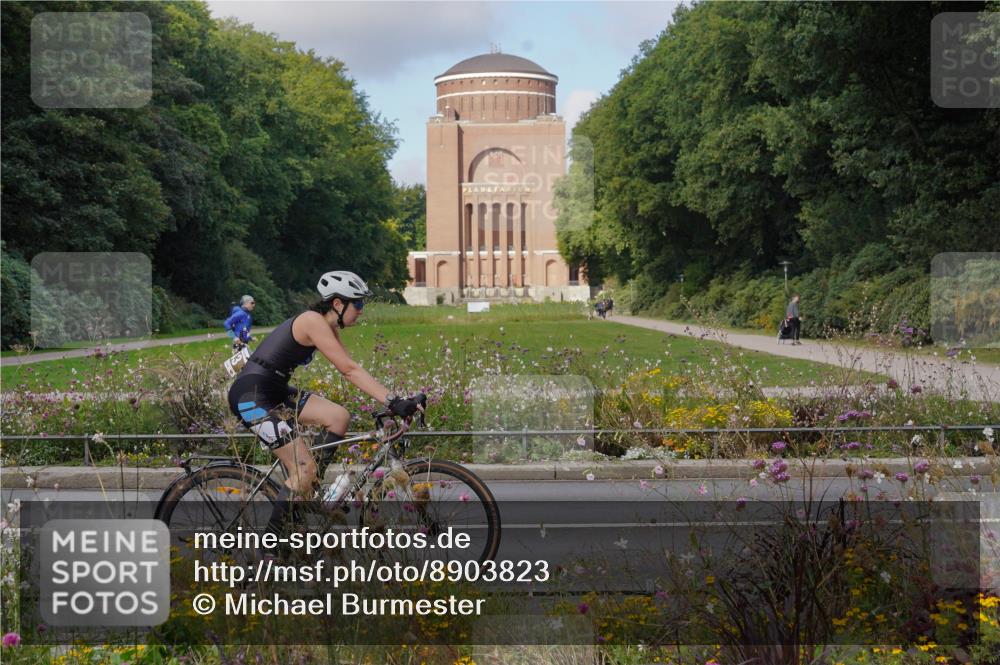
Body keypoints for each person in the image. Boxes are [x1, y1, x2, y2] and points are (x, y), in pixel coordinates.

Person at [226, 270, 424, 537]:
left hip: (274, 390)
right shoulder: (312, 321)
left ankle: (309, 491)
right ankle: (271, 550)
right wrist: (394, 400)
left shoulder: (326, 325)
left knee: (338, 416)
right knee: (303, 468)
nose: (362, 310)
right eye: (359, 303)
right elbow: (348, 370)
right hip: (251, 396)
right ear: (338, 304)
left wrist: (394, 399)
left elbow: (353, 368)